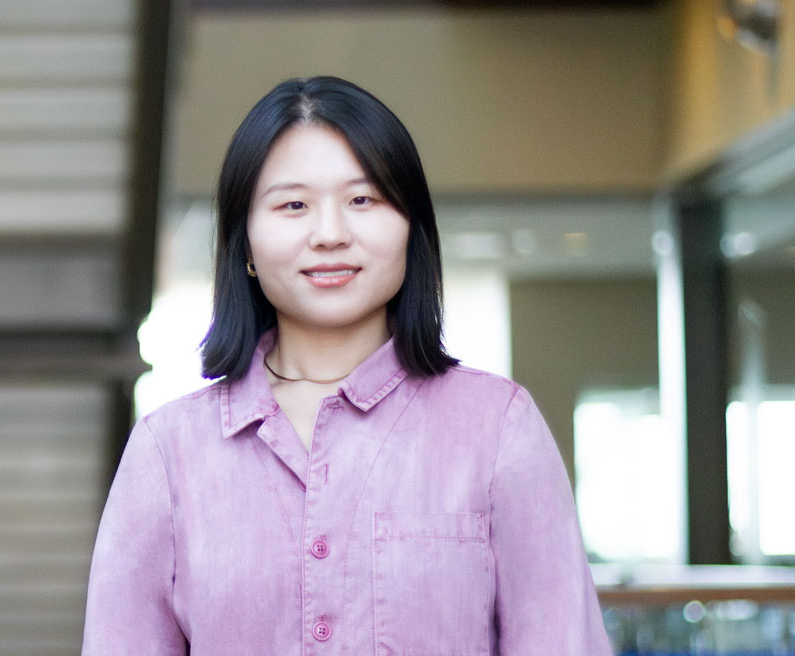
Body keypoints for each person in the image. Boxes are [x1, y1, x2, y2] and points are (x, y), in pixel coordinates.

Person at [82, 76, 611, 654]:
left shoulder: (498, 429)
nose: (330, 234)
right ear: (246, 245)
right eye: (293, 205)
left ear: (412, 229)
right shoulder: (168, 452)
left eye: (363, 200)